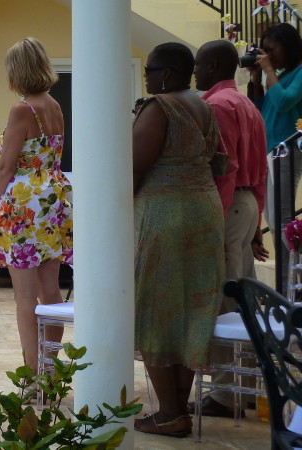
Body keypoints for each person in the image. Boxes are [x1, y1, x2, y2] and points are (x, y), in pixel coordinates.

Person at [132, 42, 224, 437]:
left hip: (166, 215)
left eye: (149, 69)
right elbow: (219, 161)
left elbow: (131, 167)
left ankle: (169, 412)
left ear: (166, 73)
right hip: (204, 211)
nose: (147, 76)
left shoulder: (160, 107)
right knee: (191, 309)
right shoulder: (205, 106)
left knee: (155, 305)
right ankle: (177, 409)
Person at [0, 38, 73, 379]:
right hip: (52, 198)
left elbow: (6, 166)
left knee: (25, 298)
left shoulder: (22, 109)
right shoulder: (54, 105)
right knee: (50, 290)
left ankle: (32, 372)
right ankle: (51, 369)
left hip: (24, 203)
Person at [191, 39, 269, 418]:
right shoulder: (247, 104)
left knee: (224, 300)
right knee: (243, 301)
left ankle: (224, 395)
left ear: (216, 65)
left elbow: (226, 168)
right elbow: (261, 168)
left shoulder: (218, 105)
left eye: (200, 65)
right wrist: (256, 222)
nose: (196, 72)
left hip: (228, 205)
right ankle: (248, 386)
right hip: (247, 204)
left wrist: (213, 220)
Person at [247, 23, 302, 288]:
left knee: (282, 222)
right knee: (274, 219)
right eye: (264, 51)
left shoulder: (300, 73)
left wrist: (269, 71)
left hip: (287, 151)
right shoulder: (279, 77)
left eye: (271, 50)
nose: (268, 55)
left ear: (288, 45)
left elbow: (284, 102)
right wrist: (257, 80)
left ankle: (291, 284)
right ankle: (286, 284)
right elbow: (262, 112)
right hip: (271, 152)